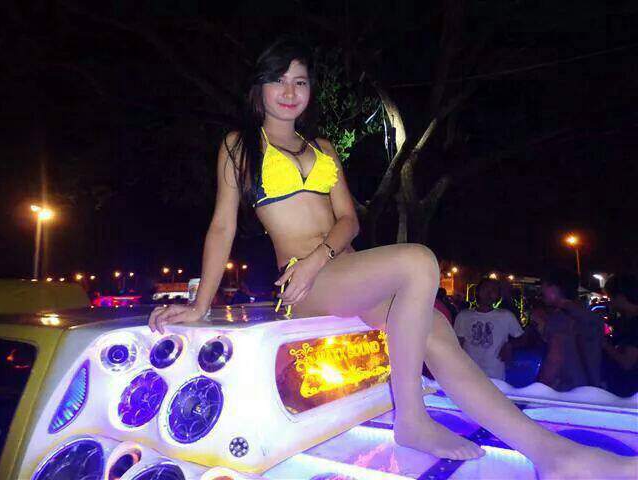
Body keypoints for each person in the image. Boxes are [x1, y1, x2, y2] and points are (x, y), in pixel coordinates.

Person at [148, 36, 636, 478]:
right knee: (419, 260)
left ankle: (554, 455)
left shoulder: (322, 148)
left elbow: (349, 220)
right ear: (259, 87)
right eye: (279, 79)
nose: (290, 90)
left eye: (300, 81)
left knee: (438, 332)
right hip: (303, 285)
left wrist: (321, 255)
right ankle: (412, 418)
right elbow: (222, 227)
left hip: (340, 269)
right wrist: (200, 303)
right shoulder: (239, 146)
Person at [538, 269, 603, 390]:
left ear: (554, 288)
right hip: (593, 389)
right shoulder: (591, 316)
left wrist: (540, 388)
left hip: (567, 390)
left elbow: (555, 359)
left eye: (544, 286)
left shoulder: (559, 319)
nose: (541, 291)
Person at [454, 279, 525, 380]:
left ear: (498, 295)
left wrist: (510, 345)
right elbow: (456, 344)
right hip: (467, 375)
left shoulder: (506, 316)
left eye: (493, 290)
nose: (489, 293)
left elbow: (522, 338)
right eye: (485, 289)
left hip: (495, 376)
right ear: (478, 292)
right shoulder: (463, 316)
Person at [602, 273, 638, 397]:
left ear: (621, 297)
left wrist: (605, 345)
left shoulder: (634, 324)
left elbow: (627, 362)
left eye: (611, 297)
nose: (610, 302)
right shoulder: (625, 320)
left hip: (630, 393)